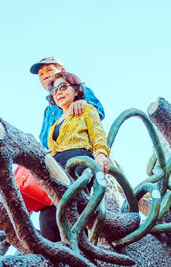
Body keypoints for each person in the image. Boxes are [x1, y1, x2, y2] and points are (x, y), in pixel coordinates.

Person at [40, 72, 111, 242]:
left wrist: (101, 154)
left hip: (77, 160)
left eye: (63, 87)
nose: (58, 93)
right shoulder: (54, 124)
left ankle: (79, 253)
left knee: (71, 209)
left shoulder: (86, 108)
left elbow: (97, 133)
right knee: (47, 217)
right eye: (54, 91)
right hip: (56, 165)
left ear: (76, 90)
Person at [30, 57, 105, 149]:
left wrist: (84, 102)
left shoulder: (81, 90)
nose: (44, 76)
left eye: (49, 70)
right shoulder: (48, 110)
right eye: (41, 74)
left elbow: (98, 112)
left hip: (78, 151)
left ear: (62, 70)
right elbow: (44, 139)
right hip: (53, 156)